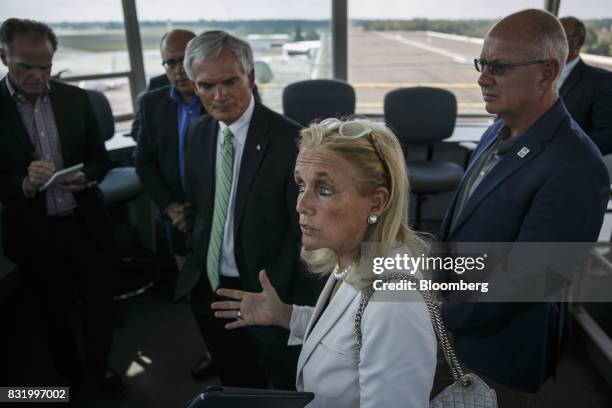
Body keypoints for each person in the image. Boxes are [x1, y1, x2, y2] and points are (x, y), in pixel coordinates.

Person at [438, 9, 609, 407]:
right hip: (455, 330)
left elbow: (528, 282)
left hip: (496, 353)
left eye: (498, 67)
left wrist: (439, 315)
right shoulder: (498, 127)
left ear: (547, 72)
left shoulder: (576, 166)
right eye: (482, 64)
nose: (482, 78)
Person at [211, 118, 436, 407]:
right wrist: (286, 315)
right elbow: (349, 337)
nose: (301, 205)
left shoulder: (393, 302)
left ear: (377, 203)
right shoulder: (353, 258)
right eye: (301, 185)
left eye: (324, 189)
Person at [178, 30, 321, 389]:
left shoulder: (293, 142)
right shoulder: (197, 133)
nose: (219, 95)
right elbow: (197, 205)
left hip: (268, 294)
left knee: (283, 382)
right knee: (237, 380)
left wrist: (290, 306)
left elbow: (307, 235)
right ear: (194, 86)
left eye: (230, 81)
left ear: (251, 77)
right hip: (211, 286)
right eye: (206, 85)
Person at [0, 18, 126, 396]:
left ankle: (99, 367)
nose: (38, 76)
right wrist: (23, 183)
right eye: (27, 66)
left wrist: (86, 176)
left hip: (84, 221)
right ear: (4, 57)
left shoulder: (75, 98)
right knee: (52, 313)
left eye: (46, 66)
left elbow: (100, 160)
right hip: (35, 231)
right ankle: (69, 378)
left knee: (97, 305)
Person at [133, 29, 215, 380]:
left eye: (184, 59)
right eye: (170, 62)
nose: (178, 69)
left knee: (236, 289)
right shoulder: (151, 103)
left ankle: (246, 350)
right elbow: (144, 162)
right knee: (198, 292)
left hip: (221, 213)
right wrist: (169, 207)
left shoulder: (221, 95)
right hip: (179, 216)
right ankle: (215, 349)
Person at [559, 16, 612, 155]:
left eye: (559, 36)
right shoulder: (533, 75)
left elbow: (607, 137)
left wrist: (559, 151)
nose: (549, 42)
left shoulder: (601, 81)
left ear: (578, 42)